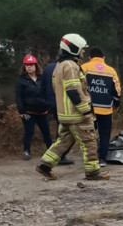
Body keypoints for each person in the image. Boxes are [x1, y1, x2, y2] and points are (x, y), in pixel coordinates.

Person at [37, 33, 109, 180]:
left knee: (63, 142)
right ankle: (93, 172)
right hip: (77, 114)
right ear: (73, 48)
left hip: (64, 114)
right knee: (89, 141)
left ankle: (45, 165)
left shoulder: (59, 66)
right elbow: (74, 91)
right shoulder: (71, 66)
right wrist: (86, 111)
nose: (83, 52)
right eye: (82, 49)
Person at [81, 47, 121, 166]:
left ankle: (90, 159)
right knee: (104, 134)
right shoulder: (111, 70)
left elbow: (78, 87)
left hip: (89, 108)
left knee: (89, 135)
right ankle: (102, 159)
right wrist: (116, 104)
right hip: (105, 108)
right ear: (103, 58)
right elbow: (117, 90)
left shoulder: (84, 68)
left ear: (90, 58)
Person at [15, 55, 52, 160]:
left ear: (36, 66)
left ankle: (51, 151)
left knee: (46, 132)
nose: (29, 67)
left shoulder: (42, 78)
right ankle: (26, 152)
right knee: (29, 132)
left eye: (31, 65)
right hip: (28, 112)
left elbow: (48, 92)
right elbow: (18, 96)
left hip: (43, 111)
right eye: (27, 65)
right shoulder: (21, 80)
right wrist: (21, 110)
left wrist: (48, 105)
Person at [40, 57, 74, 165]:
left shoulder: (48, 68)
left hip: (51, 103)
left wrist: (46, 102)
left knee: (61, 128)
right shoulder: (67, 68)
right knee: (64, 130)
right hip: (63, 104)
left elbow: (42, 86)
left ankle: (57, 155)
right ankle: (59, 156)